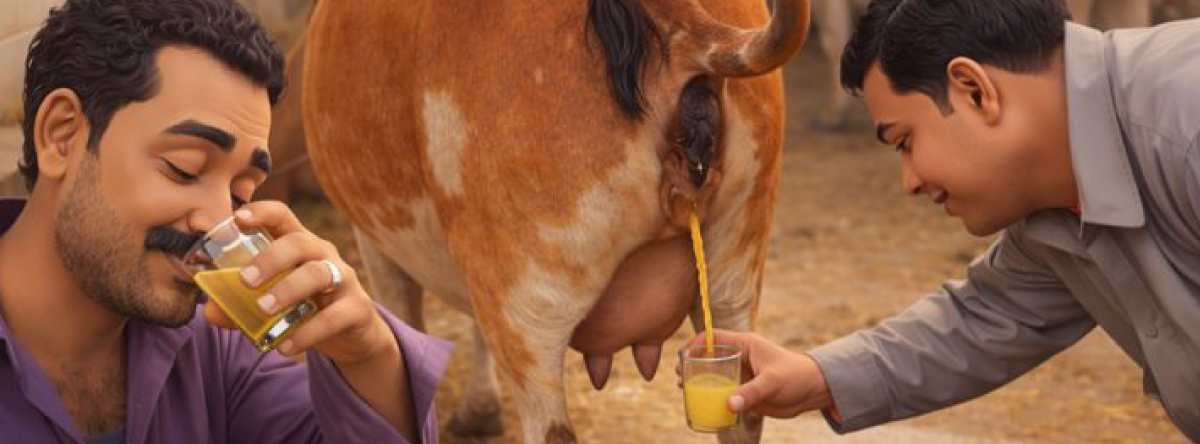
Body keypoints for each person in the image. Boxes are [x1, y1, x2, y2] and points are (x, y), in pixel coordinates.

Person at [694, 0, 1200, 441]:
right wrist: (817, 377)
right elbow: (988, 316)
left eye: (905, 141)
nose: (909, 182)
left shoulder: (1186, 124)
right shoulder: (1055, 201)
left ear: (974, 90)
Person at [0, 0, 452, 443]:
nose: (219, 222)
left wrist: (368, 354)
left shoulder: (217, 352)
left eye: (240, 193)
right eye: (184, 169)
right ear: (61, 135)